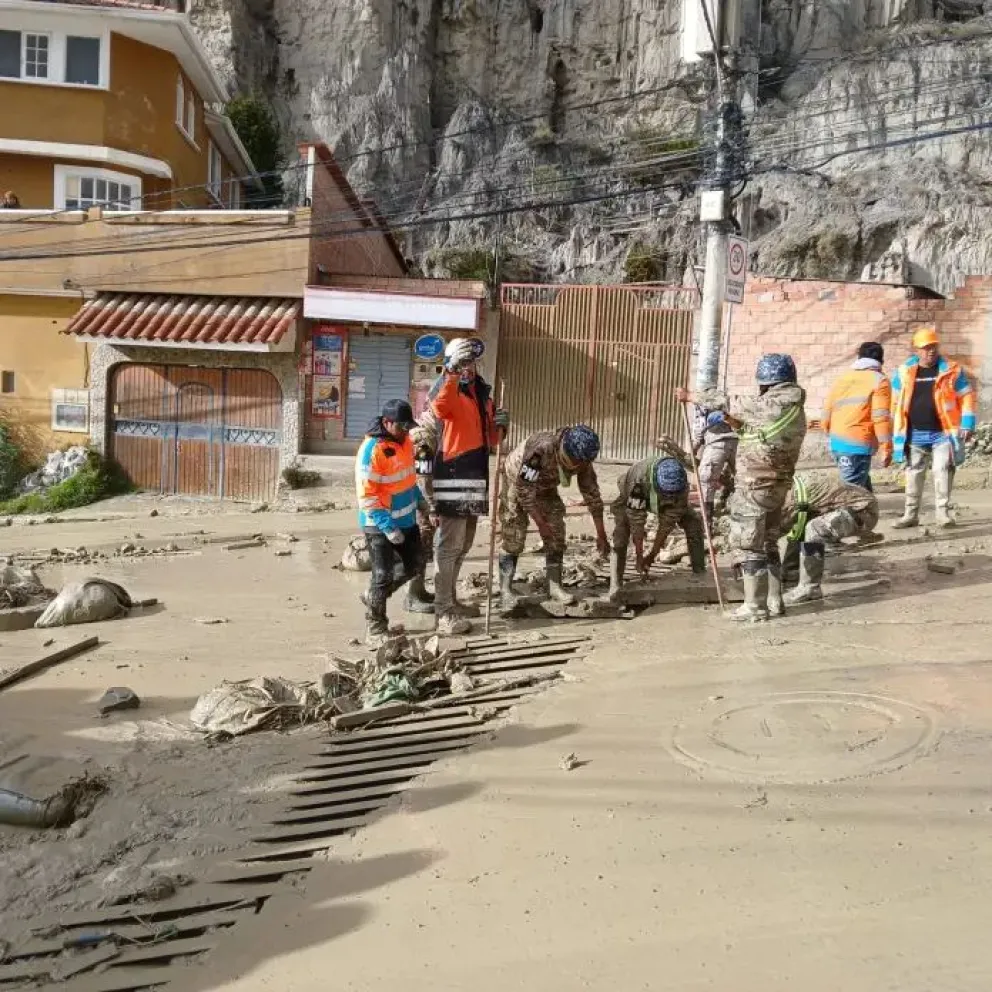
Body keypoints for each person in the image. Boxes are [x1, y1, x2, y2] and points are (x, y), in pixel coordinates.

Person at [677, 352, 807, 622]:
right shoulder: (794, 406)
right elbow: (763, 433)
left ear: (767, 382)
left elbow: (728, 401)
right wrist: (736, 424)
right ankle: (774, 600)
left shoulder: (772, 402)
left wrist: (691, 396)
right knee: (769, 542)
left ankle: (754, 607)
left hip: (755, 486)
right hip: (778, 487)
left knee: (749, 545)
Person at [428, 338, 509, 635]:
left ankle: (450, 600)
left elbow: (492, 440)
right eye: (463, 362)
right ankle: (443, 612)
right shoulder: (446, 388)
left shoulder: (481, 393)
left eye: (471, 362)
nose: (469, 368)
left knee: (463, 545)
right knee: (449, 547)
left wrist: (500, 425)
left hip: (475, 473)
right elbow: (439, 407)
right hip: (452, 472)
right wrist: (450, 371)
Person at [498, 425, 609, 611]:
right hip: (516, 482)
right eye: (576, 462)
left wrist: (601, 534)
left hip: (546, 487)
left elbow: (592, 495)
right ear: (566, 451)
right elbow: (524, 491)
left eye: (583, 464)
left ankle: (554, 586)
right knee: (514, 534)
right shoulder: (541, 450)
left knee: (556, 532)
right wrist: (540, 523)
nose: (580, 467)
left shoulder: (583, 459)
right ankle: (505, 589)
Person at [355, 399, 424, 645]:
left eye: (408, 426)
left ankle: (373, 595)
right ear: (387, 422)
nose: (406, 431)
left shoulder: (404, 441)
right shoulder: (372, 450)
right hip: (378, 521)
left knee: (415, 564)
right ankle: (375, 629)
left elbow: (407, 479)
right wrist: (388, 528)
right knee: (382, 576)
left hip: (405, 517)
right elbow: (368, 496)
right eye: (402, 426)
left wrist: (423, 503)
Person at [891, 327, 975, 528]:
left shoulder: (952, 370)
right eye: (926, 347)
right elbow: (895, 402)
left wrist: (967, 422)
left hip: (943, 433)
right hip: (914, 433)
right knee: (913, 473)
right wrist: (894, 430)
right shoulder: (903, 372)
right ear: (916, 350)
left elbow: (967, 395)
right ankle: (911, 515)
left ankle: (942, 514)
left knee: (942, 471)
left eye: (934, 346)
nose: (931, 351)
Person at [607, 436, 705, 602]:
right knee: (622, 529)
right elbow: (637, 525)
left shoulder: (680, 485)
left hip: (664, 499)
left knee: (693, 521)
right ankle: (615, 583)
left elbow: (666, 525)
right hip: (631, 495)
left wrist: (652, 554)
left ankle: (699, 571)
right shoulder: (638, 482)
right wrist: (639, 557)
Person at [780, 474, 880, 604]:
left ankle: (809, 588)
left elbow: (767, 539)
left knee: (815, 528)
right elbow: (795, 533)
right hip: (847, 507)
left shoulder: (788, 497)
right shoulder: (783, 488)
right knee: (801, 525)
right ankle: (793, 572)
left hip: (861, 510)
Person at [820, 341, 892, 491]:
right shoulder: (879, 381)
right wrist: (886, 447)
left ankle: (870, 513)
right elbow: (880, 417)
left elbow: (828, 407)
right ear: (881, 361)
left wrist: (828, 430)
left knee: (861, 488)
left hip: (837, 441)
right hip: (857, 444)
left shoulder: (843, 378)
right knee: (851, 495)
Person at [406, 408, 440, 614]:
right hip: (417, 499)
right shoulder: (424, 438)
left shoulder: (426, 432)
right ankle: (412, 596)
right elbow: (424, 477)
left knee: (424, 543)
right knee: (421, 541)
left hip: (414, 496)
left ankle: (419, 590)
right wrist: (432, 508)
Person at [691, 406, 738, 523]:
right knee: (743, 481)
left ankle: (706, 525)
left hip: (716, 442)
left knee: (706, 481)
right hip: (738, 441)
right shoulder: (730, 393)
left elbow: (701, 422)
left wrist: (696, 445)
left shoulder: (702, 397)